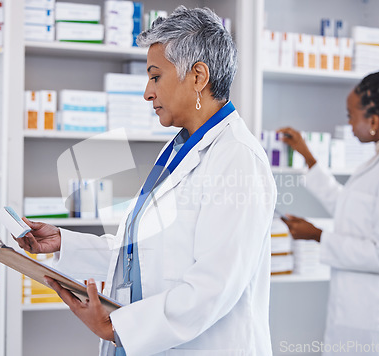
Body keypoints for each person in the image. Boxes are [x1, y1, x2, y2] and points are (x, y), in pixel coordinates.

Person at [16, 6, 277, 356]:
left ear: (198, 76)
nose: (147, 93)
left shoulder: (237, 158)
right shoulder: (179, 147)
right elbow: (144, 253)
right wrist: (65, 242)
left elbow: (214, 286)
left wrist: (118, 327)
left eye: (155, 77)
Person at [278, 67, 379, 355]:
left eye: (351, 116)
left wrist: (318, 236)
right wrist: (308, 156)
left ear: (374, 120)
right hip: (357, 308)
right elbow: (347, 208)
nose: (350, 125)